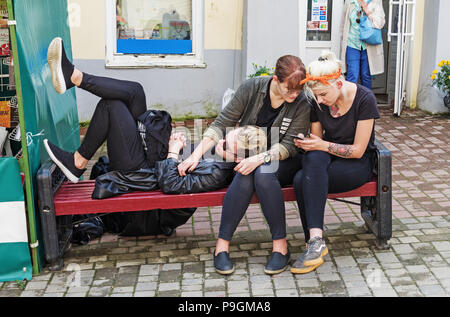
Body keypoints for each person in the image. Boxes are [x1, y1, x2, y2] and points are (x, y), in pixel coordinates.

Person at [43, 37, 266, 194]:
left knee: (112, 106)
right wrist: (180, 142)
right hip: (150, 155)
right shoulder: (216, 153)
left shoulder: (217, 173)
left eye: (227, 145)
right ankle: (74, 76)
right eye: (227, 136)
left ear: (238, 159)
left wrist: (173, 151)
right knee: (134, 91)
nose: (222, 141)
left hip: (140, 173)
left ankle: (78, 161)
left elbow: (170, 184)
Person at [177, 55, 311, 275]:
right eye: (290, 90)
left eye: (299, 90)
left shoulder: (301, 101)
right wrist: (196, 155)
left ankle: (280, 246)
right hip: (247, 157)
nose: (295, 95)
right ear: (276, 80)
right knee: (245, 174)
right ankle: (222, 247)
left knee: (263, 173)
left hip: (284, 158)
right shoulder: (253, 88)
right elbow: (222, 122)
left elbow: (290, 145)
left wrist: (259, 158)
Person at [290, 51, 380, 274]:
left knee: (302, 180)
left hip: (357, 165)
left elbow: (358, 151)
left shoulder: (364, 99)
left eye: (322, 94)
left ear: (339, 83)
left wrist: (320, 145)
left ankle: (313, 243)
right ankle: (316, 240)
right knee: (311, 158)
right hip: (326, 161)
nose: (319, 101)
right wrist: (309, 144)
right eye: (316, 96)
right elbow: (317, 141)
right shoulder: (317, 101)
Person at [340, 0, 385, 89]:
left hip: (369, 45)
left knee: (366, 76)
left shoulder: (376, 2)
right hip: (352, 44)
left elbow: (380, 23)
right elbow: (342, 24)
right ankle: (350, 101)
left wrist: (367, 11)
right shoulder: (350, 2)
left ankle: (366, 101)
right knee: (352, 75)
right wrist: (342, 42)